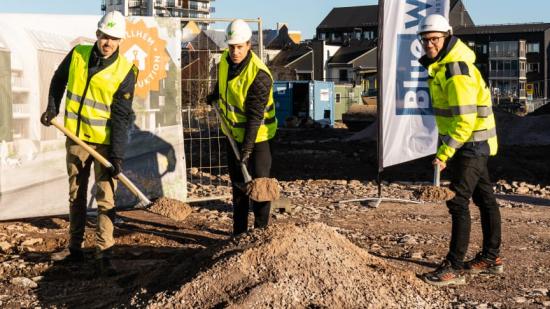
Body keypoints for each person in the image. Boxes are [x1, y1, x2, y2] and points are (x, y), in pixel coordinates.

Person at [40, 11, 138, 276]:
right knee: (76, 194)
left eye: (114, 38)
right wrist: (52, 108)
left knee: (106, 198)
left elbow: (121, 115)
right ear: (97, 34)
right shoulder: (78, 54)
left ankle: (104, 253)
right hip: (75, 138)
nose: (108, 42)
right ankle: (75, 248)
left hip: (104, 144)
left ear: (120, 41)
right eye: (105, 36)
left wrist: (117, 155)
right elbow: (58, 81)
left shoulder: (126, 70)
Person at [417, 14, 503, 286]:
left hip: (472, 144)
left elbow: (465, 120)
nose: (429, 44)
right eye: (425, 39)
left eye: (434, 39)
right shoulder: (442, 66)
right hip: (471, 143)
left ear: (447, 37)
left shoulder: (455, 70)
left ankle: (453, 267)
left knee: (457, 201)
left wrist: (445, 153)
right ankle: (491, 258)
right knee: (485, 198)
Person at [207, 19, 277, 236]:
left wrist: (246, 150)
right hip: (233, 134)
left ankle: (260, 233)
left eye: (239, 47)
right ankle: (238, 234)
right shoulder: (226, 62)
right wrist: (215, 94)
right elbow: (224, 83)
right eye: (231, 47)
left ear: (249, 45)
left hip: (258, 137)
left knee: (259, 186)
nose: (235, 52)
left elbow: (255, 118)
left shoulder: (259, 75)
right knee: (238, 187)